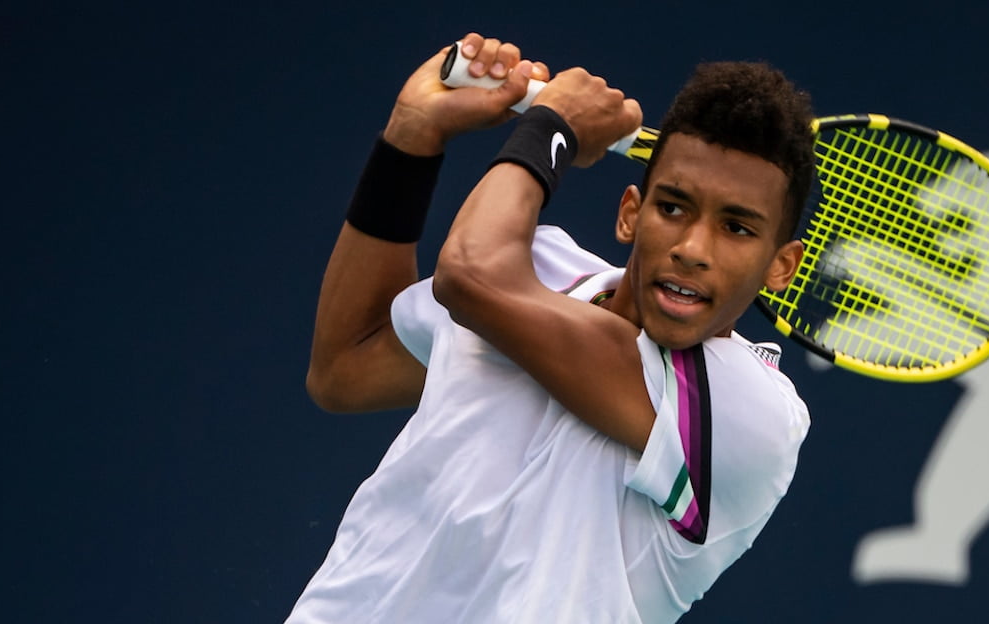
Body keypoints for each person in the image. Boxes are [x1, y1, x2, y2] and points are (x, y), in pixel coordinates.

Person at [289, 32, 815, 623]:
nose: (693, 248)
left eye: (737, 228)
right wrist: (413, 136)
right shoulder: (536, 269)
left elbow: (469, 274)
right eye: (672, 207)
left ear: (781, 265)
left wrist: (552, 126)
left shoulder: (751, 413)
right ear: (629, 214)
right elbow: (346, 368)